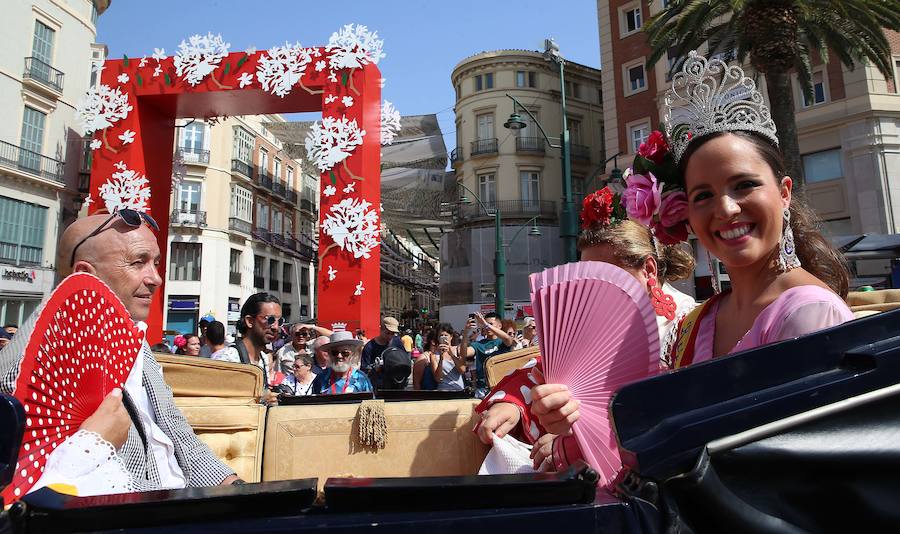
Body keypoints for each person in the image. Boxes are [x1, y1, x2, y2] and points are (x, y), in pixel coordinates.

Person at [530, 51, 854, 471]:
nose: (726, 209)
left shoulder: (812, 316)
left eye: (744, 185)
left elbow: (815, 476)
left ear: (785, 192)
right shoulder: (700, 320)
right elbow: (665, 430)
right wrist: (573, 419)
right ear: (683, 211)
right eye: (703, 195)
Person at [0, 211, 239, 494]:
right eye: (138, 262)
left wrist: (236, 489)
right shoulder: (37, 366)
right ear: (84, 275)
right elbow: (52, 485)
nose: (156, 278)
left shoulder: (135, 341)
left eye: (157, 263)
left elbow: (176, 431)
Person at [211, 292, 282, 406]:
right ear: (249, 321)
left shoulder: (263, 358)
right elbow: (216, 402)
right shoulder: (226, 358)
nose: (276, 327)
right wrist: (260, 399)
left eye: (280, 321)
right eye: (270, 320)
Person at [459, 312, 515, 394]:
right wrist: (465, 333)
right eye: (484, 325)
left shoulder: (502, 342)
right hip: (483, 388)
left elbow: (508, 339)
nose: (487, 327)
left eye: (491, 324)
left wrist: (485, 324)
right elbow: (464, 354)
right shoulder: (478, 344)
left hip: (501, 386)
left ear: (499, 326)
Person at [414, 324, 466, 391]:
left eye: (446, 335)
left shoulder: (457, 350)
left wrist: (452, 355)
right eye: (441, 335)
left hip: (459, 390)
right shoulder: (434, 355)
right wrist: (441, 358)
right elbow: (438, 378)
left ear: (451, 337)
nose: (443, 337)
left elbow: (462, 370)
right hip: (443, 390)